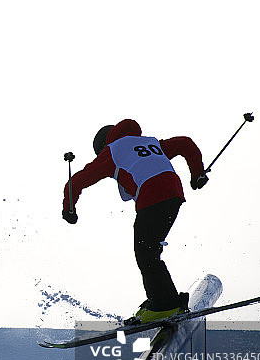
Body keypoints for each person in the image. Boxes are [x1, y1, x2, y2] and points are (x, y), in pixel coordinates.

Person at [62, 118, 208, 323]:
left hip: (152, 195)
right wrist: (197, 173)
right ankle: (160, 298)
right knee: (149, 248)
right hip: (174, 193)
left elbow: (77, 181)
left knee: (145, 251)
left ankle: (165, 304)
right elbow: (185, 143)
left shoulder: (111, 151)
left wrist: (69, 209)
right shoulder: (150, 142)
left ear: (103, 145)